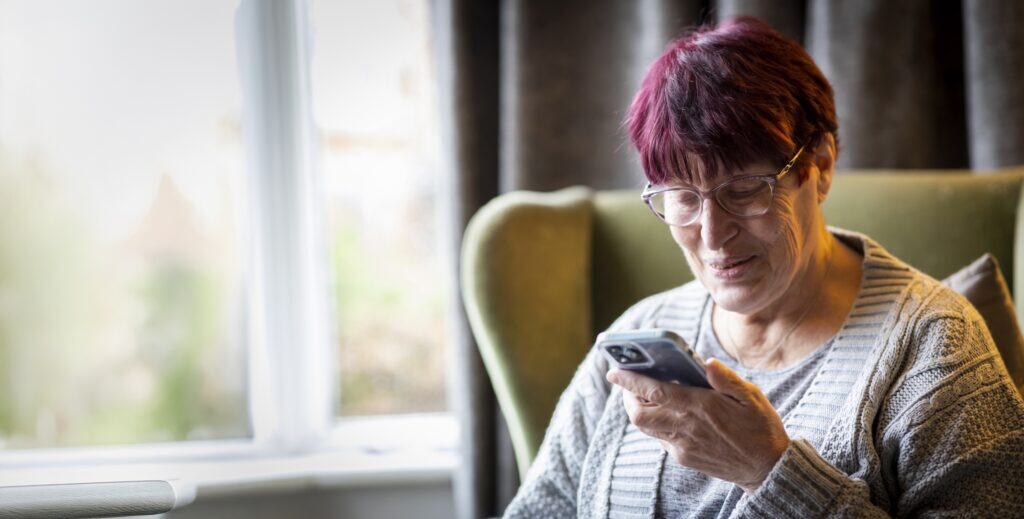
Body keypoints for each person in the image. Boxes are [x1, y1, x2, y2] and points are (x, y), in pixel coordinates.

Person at [503, 16, 1024, 518]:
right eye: (683, 198)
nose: (712, 234)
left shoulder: (933, 346)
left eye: (745, 189)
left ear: (819, 167)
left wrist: (769, 471)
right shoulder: (636, 339)